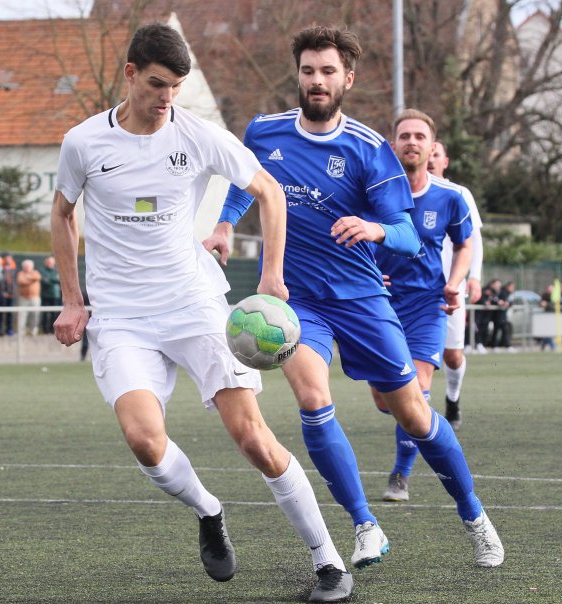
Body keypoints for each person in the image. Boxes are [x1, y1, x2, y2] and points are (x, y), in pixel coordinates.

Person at [50, 23, 352, 603]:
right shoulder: (83, 143)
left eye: (177, 89)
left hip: (194, 303)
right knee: (144, 440)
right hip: (121, 317)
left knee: (253, 438)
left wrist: (270, 276)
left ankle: (329, 563)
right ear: (131, 74)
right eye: (158, 85)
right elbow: (62, 214)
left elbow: (271, 192)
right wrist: (71, 299)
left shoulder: (198, 135)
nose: (167, 100)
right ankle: (208, 510)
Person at [205, 27, 504, 569]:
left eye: (326, 72)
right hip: (300, 304)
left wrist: (375, 230)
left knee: (412, 414)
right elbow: (241, 183)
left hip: (363, 298)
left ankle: (474, 514)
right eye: (307, 71)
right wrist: (225, 225)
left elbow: (411, 237)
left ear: (348, 78)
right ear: (296, 75)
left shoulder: (370, 150)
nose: (316, 81)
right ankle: (366, 525)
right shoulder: (264, 132)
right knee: (313, 401)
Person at [372, 110, 472, 504]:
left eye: (419, 136)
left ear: (432, 147)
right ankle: (408, 428)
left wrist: (454, 282)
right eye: (404, 136)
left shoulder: (450, 198)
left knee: (417, 387)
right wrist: (366, 273)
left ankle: (401, 474)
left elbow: (465, 244)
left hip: (427, 306)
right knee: (387, 399)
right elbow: (353, 236)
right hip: (378, 306)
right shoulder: (374, 193)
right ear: (392, 143)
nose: (412, 142)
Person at [427, 140, 483, 430]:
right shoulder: (405, 191)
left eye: (437, 155)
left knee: (452, 354)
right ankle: (416, 411)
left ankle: (452, 399)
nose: (431, 159)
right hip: (412, 288)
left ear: (445, 162)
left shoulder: (460, 194)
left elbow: (473, 241)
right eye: (429, 154)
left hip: (450, 286)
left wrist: (474, 276)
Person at [16, 259, 41, 336]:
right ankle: (21, 331)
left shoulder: (36, 272)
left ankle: (33, 330)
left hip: (35, 298)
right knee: (22, 315)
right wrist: (30, 279)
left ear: (32, 267)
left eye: (28, 266)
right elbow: (21, 281)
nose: (27, 268)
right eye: (25, 266)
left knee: (35, 314)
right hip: (24, 298)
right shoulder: (20, 273)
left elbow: (37, 277)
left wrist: (28, 278)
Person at [40, 255, 62, 334]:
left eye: (51, 262)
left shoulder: (57, 270)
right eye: (48, 262)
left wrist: (50, 279)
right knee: (45, 313)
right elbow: (44, 281)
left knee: (55, 314)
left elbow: (60, 280)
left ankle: (53, 330)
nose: (50, 264)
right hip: (45, 295)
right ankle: (45, 330)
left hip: (55, 295)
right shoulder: (42, 270)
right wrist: (54, 279)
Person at [1, 252, 16, 335]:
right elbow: (1, 282)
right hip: (3, 295)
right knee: (2, 313)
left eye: (9, 259)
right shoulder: (1, 269)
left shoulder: (14, 269)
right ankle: (2, 329)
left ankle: (9, 329)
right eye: (7, 259)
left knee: (10, 313)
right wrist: (3, 292)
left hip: (12, 294)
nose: (8, 260)